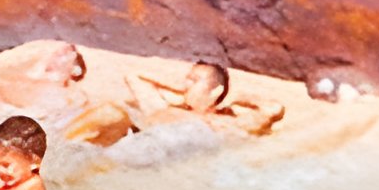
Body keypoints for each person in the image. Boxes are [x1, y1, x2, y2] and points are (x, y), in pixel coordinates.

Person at [69, 57, 285, 145]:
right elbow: (134, 76)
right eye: (187, 78)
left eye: (195, 80)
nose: (186, 84)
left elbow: (273, 109)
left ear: (215, 90)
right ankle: (53, 155)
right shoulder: (163, 109)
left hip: (160, 158)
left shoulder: (222, 123)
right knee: (109, 112)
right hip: (137, 148)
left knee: (112, 115)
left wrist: (240, 97)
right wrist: (175, 85)